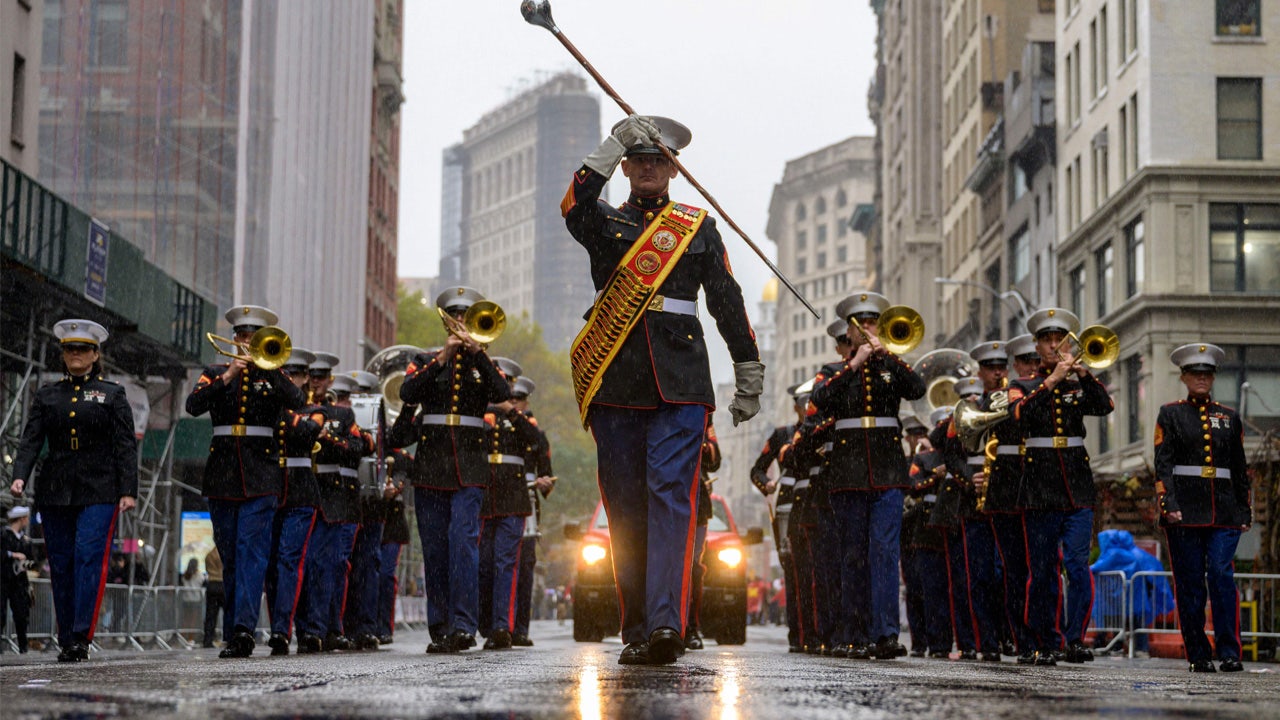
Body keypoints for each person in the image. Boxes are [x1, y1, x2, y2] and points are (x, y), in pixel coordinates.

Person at [562, 115, 763, 665]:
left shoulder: (697, 227)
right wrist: (611, 144)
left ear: (674, 168)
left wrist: (747, 367)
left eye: (659, 160)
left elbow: (726, 298)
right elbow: (574, 206)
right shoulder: (604, 222)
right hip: (616, 379)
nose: (649, 168)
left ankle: (667, 624)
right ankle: (637, 628)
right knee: (626, 507)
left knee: (672, 496)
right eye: (639, 159)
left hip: (682, 382)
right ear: (627, 167)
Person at [10, 319, 138, 662]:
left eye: (82, 349)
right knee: (62, 563)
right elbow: (31, 440)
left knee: (88, 556)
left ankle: (82, 635)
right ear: (63, 354)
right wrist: (20, 475)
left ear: (95, 354)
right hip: (56, 488)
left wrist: (128, 489)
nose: (75, 354)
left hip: (100, 488)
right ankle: (66, 637)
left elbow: (125, 445)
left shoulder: (112, 394)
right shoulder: (48, 394)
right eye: (69, 349)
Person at [810, 292, 925, 660]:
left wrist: (886, 354)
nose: (868, 329)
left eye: (874, 322)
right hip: (849, 472)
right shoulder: (835, 370)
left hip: (888, 470)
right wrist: (855, 363)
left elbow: (917, 388)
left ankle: (886, 633)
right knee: (854, 555)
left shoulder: (891, 366)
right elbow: (820, 400)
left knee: (885, 552)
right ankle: (854, 633)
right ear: (850, 331)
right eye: (861, 324)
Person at [185, 305, 305, 658]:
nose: (247, 342)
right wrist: (228, 376)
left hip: (261, 476)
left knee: (251, 554)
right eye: (242, 336)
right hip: (222, 475)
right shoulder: (215, 373)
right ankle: (232, 630)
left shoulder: (274, 374)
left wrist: (271, 368)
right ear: (234, 338)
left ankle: (243, 631)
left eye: (254, 337)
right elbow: (193, 406)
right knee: (230, 556)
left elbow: (297, 400)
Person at [400, 287, 511, 654]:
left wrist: (477, 352)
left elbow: (501, 392)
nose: (461, 322)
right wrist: (442, 358)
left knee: (462, 543)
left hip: (470, 466)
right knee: (435, 550)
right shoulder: (425, 359)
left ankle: (464, 625)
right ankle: (441, 627)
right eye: (456, 316)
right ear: (446, 321)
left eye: (466, 316)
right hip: (431, 465)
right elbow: (407, 393)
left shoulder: (484, 362)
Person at [1009, 308, 1114, 666]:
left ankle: (1075, 639)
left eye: (1060, 340)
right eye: (1048, 340)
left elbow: (1105, 406)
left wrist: (1084, 375)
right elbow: (1019, 416)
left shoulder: (1078, 383)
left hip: (1077, 484)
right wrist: (1051, 381)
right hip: (1040, 487)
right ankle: (1044, 640)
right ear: (1037, 346)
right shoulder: (1022, 385)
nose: (1054, 346)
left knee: (1077, 565)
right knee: (1042, 571)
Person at [1154, 342, 1250, 673]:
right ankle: (1198, 652)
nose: (1201, 379)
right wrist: (1168, 503)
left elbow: (1239, 467)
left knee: (1222, 575)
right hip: (1185, 511)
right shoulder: (1171, 414)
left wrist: (1244, 509)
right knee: (1191, 583)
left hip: (1224, 510)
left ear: (1213, 378)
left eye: (1207, 374)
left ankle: (1229, 651)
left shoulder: (1229, 417)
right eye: (1195, 373)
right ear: (1183, 377)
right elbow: (1163, 464)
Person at [263, 347, 324, 656]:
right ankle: (290, 626)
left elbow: (308, 432)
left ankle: (283, 629)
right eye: (288, 373)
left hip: (301, 492)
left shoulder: (315, 409)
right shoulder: (272, 404)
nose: (293, 379)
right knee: (272, 564)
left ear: (306, 379)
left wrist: (284, 412)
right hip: (273, 488)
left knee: (292, 560)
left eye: (298, 374)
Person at [477, 357, 540, 650]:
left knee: (505, 563)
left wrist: (511, 412)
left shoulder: (520, 419)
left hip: (513, 496)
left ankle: (502, 626)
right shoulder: (482, 412)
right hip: (484, 496)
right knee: (484, 563)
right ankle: (486, 622)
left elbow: (535, 441)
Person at [512, 375, 555, 647]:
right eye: (511, 399)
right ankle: (499, 624)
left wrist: (544, 482)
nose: (514, 403)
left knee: (525, 565)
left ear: (526, 402)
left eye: (519, 399)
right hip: (500, 496)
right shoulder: (497, 426)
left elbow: (547, 474)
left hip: (527, 500)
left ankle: (520, 628)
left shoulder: (536, 434)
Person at [2, 506, 34, 653]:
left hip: (20, 580)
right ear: (21, 518)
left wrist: (27, 563)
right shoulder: (3, 534)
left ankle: (23, 646)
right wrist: (12, 555)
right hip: (3, 578)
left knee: (21, 614)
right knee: (1, 613)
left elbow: (32, 559)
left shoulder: (25, 540)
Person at [202, 546, 224, 648]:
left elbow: (207, 569)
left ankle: (208, 639)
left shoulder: (209, 555)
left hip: (211, 584)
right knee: (228, 613)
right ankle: (228, 637)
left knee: (211, 614)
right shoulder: (223, 554)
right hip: (222, 583)